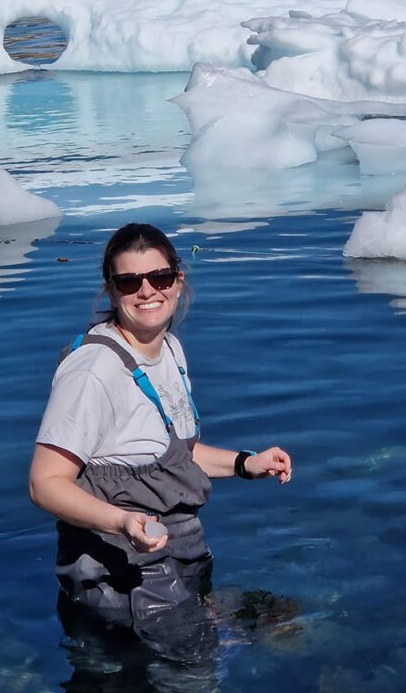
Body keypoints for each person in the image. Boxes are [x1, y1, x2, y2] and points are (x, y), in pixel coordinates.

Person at [29, 221, 291, 651]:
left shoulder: (168, 349)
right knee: (182, 689)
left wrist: (246, 463)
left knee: (187, 688)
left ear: (178, 280)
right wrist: (122, 521)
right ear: (111, 290)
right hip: (121, 573)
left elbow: (173, 454)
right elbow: (45, 482)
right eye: (130, 281)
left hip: (174, 552)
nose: (147, 291)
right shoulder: (94, 371)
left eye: (160, 277)